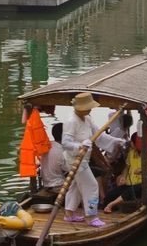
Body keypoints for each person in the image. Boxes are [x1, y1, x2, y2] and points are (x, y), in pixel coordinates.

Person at [61, 92, 105, 227]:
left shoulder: (88, 119)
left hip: (84, 159)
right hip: (75, 160)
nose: (90, 109)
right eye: (88, 107)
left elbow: (99, 134)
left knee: (75, 185)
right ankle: (91, 216)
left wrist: (116, 141)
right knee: (92, 185)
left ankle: (69, 214)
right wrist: (80, 145)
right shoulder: (71, 121)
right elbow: (66, 143)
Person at [102, 132, 147, 213]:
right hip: (129, 184)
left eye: (132, 142)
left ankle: (111, 205)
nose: (131, 143)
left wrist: (142, 169)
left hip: (141, 185)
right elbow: (127, 168)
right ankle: (110, 209)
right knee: (110, 195)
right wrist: (123, 176)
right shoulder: (131, 153)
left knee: (130, 192)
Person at [40, 123, 69, 193]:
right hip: (58, 185)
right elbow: (69, 169)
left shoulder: (48, 145)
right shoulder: (62, 151)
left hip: (46, 184)